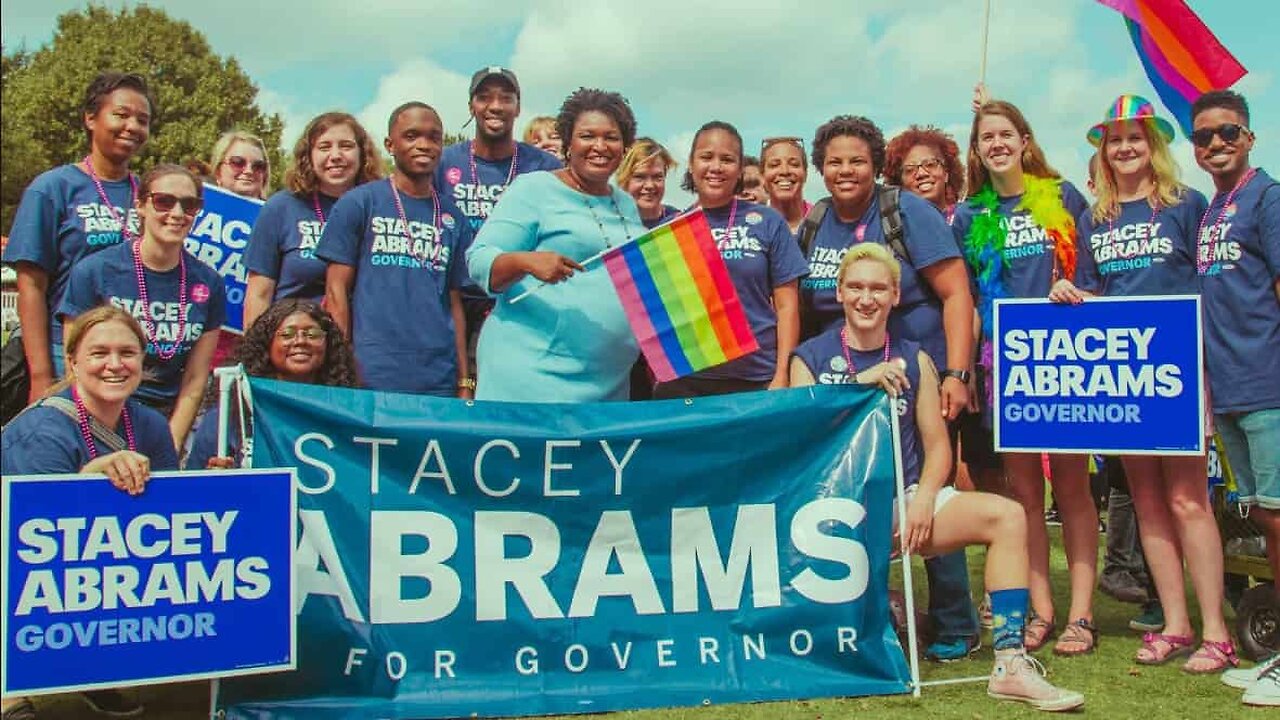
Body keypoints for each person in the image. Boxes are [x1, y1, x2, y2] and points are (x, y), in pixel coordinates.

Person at [790, 243, 1084, 712]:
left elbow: (938, 446)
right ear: (840, 292)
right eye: (857, 288)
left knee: (1007, 516)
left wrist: (926, 497)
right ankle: (882, 612)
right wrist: (856, 385)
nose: (867, 299)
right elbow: (798, 432)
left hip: (903, 503)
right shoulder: (810, 357)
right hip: (830, 510)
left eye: (878, 289)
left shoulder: (916, 357)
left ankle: (1010, 661)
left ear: (895, 296)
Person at [1066, 95, 1232, 673]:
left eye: (1135, 137)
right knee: (1147, 502)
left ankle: (1216, 631)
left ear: (1154, 145)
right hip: (1125, 379)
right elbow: (1097, 297)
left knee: (1188, 499)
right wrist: (1071, 294)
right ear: (1104, 152)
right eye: (1114, 140)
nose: (1125, 147)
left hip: (1180, 369)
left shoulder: (1186, 204)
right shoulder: (1096, 218)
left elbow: (1210, 283)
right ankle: (1176, 624)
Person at [953, 98, 1100, 656]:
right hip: (1004, 368)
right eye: (985, 136)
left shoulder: (1063, 198)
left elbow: (1088, 276)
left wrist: (1074, 290)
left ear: (1024, 140)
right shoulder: (969, 215)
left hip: (1063, 363)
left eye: (1005, 133)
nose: (996, 144)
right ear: (977, 149)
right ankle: (1040, 611)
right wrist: (963, 371)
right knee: (1024, 497)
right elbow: (967, 302)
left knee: (1073, 488)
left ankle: (1081, 616)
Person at [1, 306, 179, 720]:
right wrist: (88, 479)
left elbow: (169, 513)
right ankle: (10, 690)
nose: (115, 365)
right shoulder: (43, 431)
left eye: (127, 353)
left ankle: (92, 670)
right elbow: (37, 540)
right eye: (100, 353)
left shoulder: (149, 424)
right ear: (74, 359)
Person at [1187, 89, 1280, 707]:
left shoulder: (1267, 197)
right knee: (1265, 517)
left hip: (1268, 382)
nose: (1216, 144)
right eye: (1204, 137)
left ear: (1249, 136)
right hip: (1228, 390)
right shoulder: (1215, 207)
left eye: (1227, 132)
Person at [878, 123, 983, 662]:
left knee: (931, 487)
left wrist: (957, 374)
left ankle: (954, 619)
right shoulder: (865, 214)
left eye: (931, 166)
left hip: (932, 376)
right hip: (872, 378)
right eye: (909, 167)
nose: (921, 174)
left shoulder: (929, 218)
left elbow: (959, 295)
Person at [466, 87, 641, 402]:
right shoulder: (534, 189)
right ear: (568, 143)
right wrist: (526, 262)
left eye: (611, 137)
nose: (600, 146)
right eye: (587, 136)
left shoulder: (626, 204)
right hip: (533, 383)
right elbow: (480, 261)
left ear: (624, 146)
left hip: (607, 391)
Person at [2, 72, 153, 422]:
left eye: (142, 120)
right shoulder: (53, 188)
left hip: (130, 354)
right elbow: (30, 285)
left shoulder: (150, 195)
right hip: (63, 349)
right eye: (121, 114)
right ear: (90, 118)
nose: (132, 126)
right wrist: (41, 375)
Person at [58, 164, 225, 450]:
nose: (176, 213)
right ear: (141, 206)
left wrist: (169, 443)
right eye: (164, 201)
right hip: (101, 413)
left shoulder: (210, 282)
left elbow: (196, 378)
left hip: (166, 420)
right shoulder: (94, 271)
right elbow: (74, 362)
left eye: (189, 205)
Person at [317, 102, 472, 397]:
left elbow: (455, 303)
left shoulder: (454, 216)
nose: (423, 145)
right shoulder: (360, 202)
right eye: (411, 136)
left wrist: (464, 381)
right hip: (372, 372)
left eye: (433, 137)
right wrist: (341, 367)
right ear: (390, 144)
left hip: (437, 375)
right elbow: (336, 290)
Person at [651, 121, 808, 398]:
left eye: (727, 159)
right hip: (689, 380)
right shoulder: (670, 229)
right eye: (706, 157)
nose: (716, 167)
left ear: (739, 169)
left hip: (757, 377)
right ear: (691, 163)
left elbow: (787, 307)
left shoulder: (768, 222)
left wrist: (782, 374)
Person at [436, 67, 563, 388]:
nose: (495, 106)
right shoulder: (444, 162)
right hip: (453, 301)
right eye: (484, 97)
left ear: (518, 108)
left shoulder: (544, 166)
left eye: (506, 98)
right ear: (471, 106)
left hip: (517, 303)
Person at [242, 112, 382, 330]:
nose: (335, 155)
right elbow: (259, 294)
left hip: (364, 346)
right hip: (295, 345)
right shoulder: (281, 207)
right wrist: (255, 357)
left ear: (363, 154)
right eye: (324, 147)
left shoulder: (380, 209)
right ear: (308, 156)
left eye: (345, 146)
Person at [186, 299, 357, 469]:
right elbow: (190, 488)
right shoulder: (228, 415)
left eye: (312, 334)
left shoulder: (348, 414)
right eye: (287, 334)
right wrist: (218, 479)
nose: (300, 341)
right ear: (267, 344)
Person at [616, 137, 679, 229]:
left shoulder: (678, 223)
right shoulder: (609, 227)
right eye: (639, 177)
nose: (649, 185)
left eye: (657, 177)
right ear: (623, 179)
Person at [761, 136, 810, 233]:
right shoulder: (751, 224)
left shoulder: (822, 220)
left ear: (805, 174)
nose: (784, 171)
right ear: (762, 176)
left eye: (794, 164)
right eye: (774, 165)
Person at [210, 130, 271, 200]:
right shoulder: (197, 206)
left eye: (258, 166)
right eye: (238, 162)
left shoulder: (277, 210)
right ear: (218, 172)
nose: (249, 171)